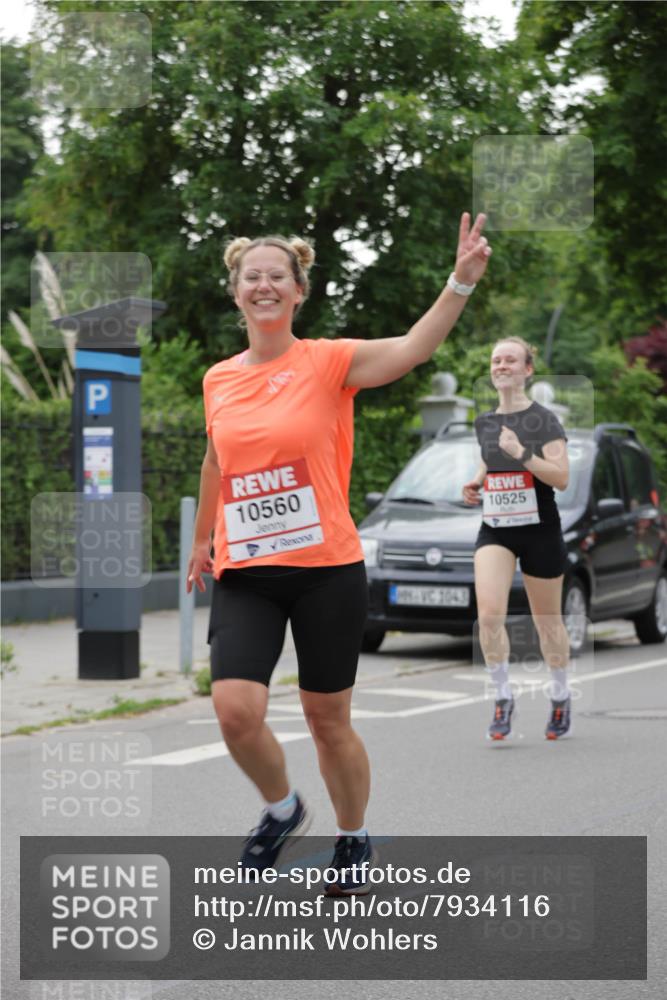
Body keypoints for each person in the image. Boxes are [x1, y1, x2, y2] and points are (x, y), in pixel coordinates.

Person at [187, 213, 492, 893]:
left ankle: (352, 836)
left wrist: (459, 283)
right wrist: (205, 535)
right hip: (248, 571)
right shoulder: (218, 379)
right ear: (235, 290)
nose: (262, 285)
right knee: (235, 710)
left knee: (328, 721)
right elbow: (215, 459)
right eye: (250, 276)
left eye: (276, 276)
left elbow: (414, 347)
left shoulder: (328, 361)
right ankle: (282, 809)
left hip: (326, 569)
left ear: (297, 290)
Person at [462, 337, 572, 741]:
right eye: (496, 360)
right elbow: (490, 459)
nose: (502, 365)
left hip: (540, 528)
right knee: (489, 615)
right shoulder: (485, 421)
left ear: (528, 369)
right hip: (496, 527)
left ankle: (560, 696)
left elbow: (561, 478)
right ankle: (502, 697)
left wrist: (524, 453)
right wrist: (476, 481)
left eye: (511, 360)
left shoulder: (543, 421)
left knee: (548, 623)